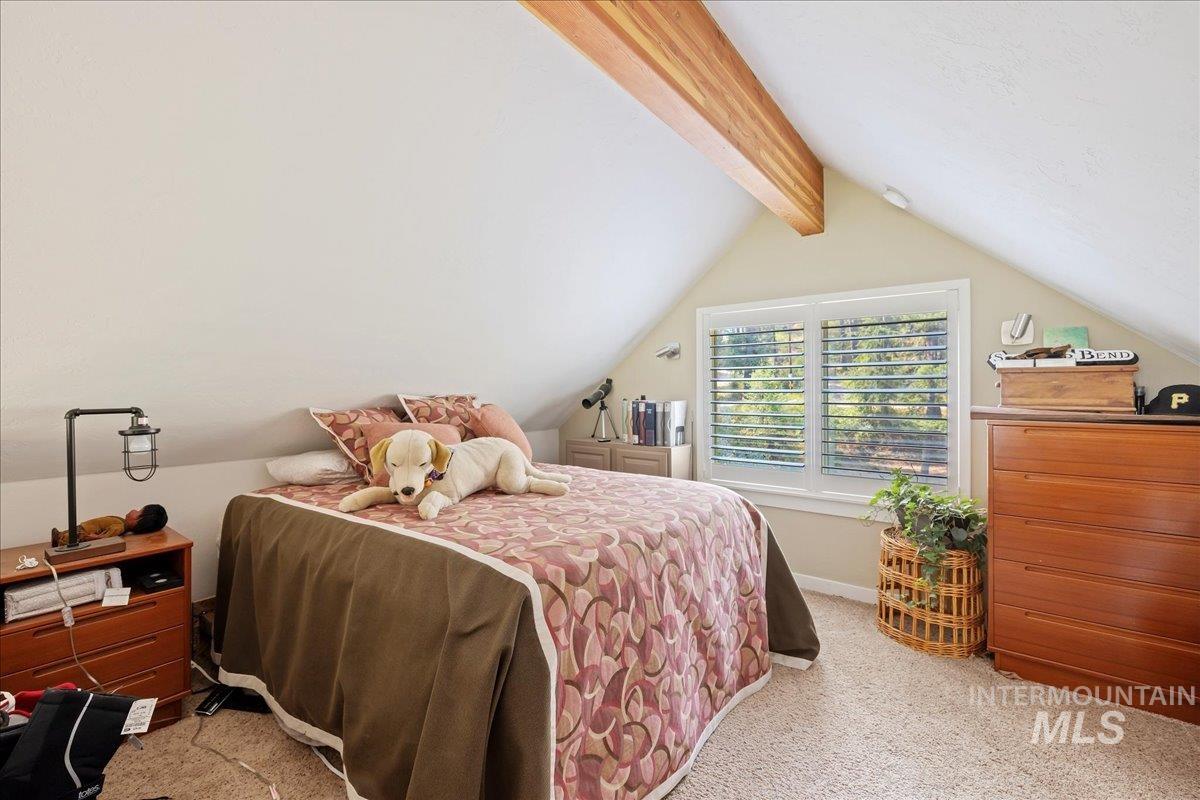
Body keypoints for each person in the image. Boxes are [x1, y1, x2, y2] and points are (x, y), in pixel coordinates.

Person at [50, 504, 168, 546]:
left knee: (72, 536)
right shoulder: (122, 524)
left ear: (139, 520)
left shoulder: (119, 527)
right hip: (87, 527)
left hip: (87, 531)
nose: (133, 509)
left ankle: (60, 540)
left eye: (137, 511)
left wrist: (93, 537)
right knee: (71, 532)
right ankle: (60, 536)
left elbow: (105, 538)